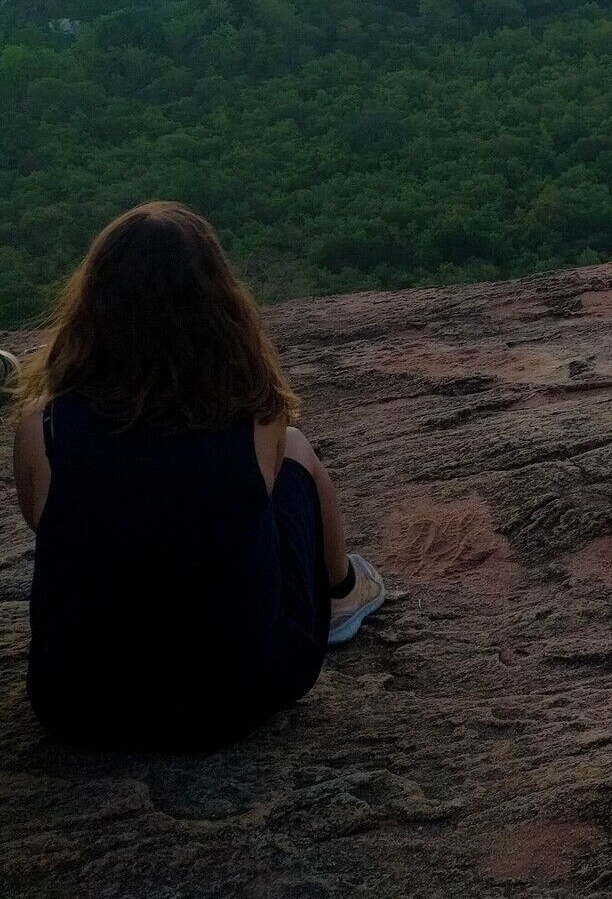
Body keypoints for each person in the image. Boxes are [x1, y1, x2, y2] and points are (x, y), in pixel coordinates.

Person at [7, 202, 385, 754]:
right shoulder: (256, 414)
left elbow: (41, 520)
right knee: (297, 453)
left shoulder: (43, 429)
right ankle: (345, 593)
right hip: (236, 699)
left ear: (93, 304)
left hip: (78, 708)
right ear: (219, 303)